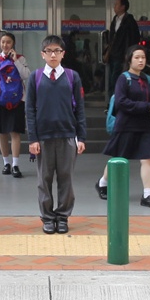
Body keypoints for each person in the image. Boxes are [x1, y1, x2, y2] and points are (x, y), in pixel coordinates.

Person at [26, 35, 86, 234]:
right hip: (43, 137)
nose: (53, 55)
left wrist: (81, 137)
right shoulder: (35, 77)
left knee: (66, 178)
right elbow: (29, 110)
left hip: (67, 135)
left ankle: (62, 216)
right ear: (42, 54)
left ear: (63, 54)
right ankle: (47, 217)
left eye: (57, 51)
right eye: (49, 51)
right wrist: (32, 138)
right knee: (44, 180)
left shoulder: (72, 77)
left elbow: (80, 108)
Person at [96, 45, 150, 208]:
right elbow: (121, 102)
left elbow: (149, 100)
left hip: (145, 125)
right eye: (137, 57)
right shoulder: (123, 78)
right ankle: (102, 182)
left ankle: (147, 195)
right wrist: (145, 107)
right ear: (129, 60)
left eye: (143, 57)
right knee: (118, 158)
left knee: (147, 159)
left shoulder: (147, 79)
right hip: (126, 125)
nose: (141, 61)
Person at [0, 32, 29, 178]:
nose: (5, 45)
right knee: (2, 132)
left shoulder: (20, 59)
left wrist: (15, 61)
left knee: (15, 132)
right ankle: (6, 163)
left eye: (8, 42)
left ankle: (15, 164)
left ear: (13, 43)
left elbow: (26, 75)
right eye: (3, 42)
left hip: (17, 100)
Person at [103, 0, 140, 92]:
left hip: (122, 55)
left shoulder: (129, 21)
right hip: (113, 54)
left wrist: (128, 54)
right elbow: (112, 39)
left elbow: (134, 38)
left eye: (116, 4)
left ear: (123, 7)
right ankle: (112, 99)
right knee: (111, 80)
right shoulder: (115, 20)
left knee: (115, 79)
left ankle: (117, 98)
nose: (114, 7)